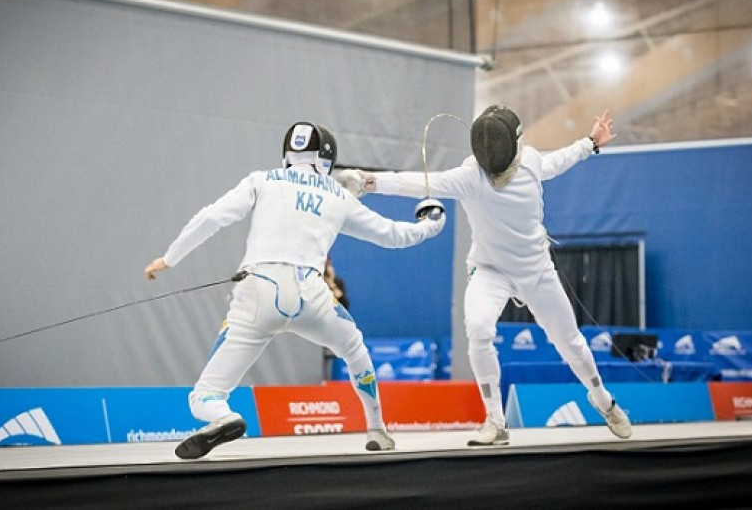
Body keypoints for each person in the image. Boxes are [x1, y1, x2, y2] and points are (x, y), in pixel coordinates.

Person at [144, 121, 446, 459]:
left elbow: (211, 217)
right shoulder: (338, 196)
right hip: (311, 297)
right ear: (327, 158)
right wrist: (430, 225)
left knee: (204, 395)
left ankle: (225, 416)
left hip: (257, 292)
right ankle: (377, 429)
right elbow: (392, 235)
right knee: (354, 348)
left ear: (288, 153)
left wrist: (169, 258)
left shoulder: (262, 180)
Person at [338, 106, 632, 445]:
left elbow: (559, 161)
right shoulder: (470, 175)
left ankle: (602, 399)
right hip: (490, 269)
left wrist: (590, 143)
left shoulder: (531, 161)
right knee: (478, 329)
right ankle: (495, 420)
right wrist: (368, 181)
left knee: (570, 342)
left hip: (536, 270)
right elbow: (419, 182)